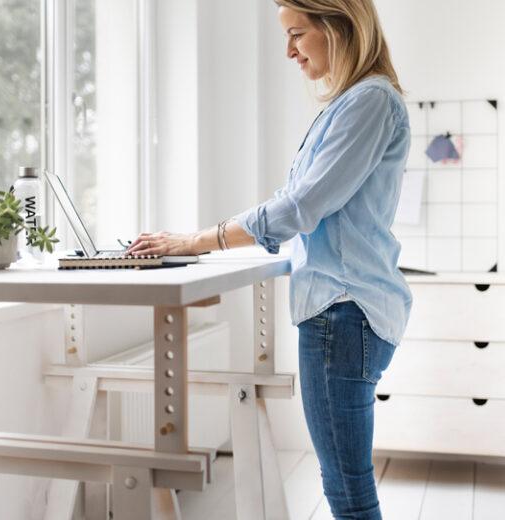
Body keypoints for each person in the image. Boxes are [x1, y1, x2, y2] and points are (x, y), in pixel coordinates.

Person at [126, 1, 410, 517]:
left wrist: (195, 241)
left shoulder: (369, 101)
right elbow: (297, 199)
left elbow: (300, 207)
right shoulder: (352, 103)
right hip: (344, 310)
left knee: (346, 487)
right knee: (345, 480)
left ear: (339, 26)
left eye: (297, 34)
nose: (289, 51)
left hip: (343, 311)